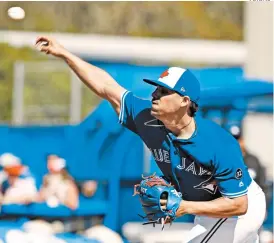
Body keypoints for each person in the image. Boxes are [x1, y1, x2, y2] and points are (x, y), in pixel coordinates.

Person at [35, 36, 266, 243]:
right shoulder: (146, 117)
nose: (155, 95)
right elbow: (106, 87)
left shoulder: (217, 142)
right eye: (156, 89)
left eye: (164, 92)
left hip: (240, 208)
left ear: (185, 101)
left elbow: (239, 204)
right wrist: (65, 54)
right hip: (208, 213)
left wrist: (184, 207)